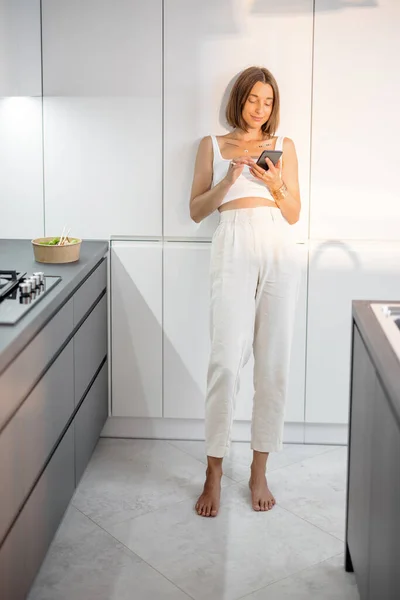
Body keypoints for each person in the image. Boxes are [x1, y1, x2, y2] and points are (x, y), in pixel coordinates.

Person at [189, 66, 302, 517]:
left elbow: (293, 213)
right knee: (225, 362)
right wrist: (229, 180)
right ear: (239, 100)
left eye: (268, 101)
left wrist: (275, 183)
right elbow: (197, 210)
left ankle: (259, 469)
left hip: (277, 243)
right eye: (253, 99)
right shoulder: (212, 146)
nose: (260, 108)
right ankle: (214, 471)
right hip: (232, 240)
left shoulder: (284, 147)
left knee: (273, 363)